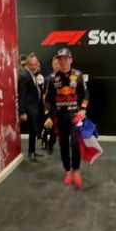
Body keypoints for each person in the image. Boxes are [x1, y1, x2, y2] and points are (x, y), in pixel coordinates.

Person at [45, 48, 89, 187]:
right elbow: (47, 100)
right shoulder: (52, 78)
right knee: (63, 144)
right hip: (60, 117)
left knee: (75, 143)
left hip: (75, 116)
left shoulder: (78, 75)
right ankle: (68, 170)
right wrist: (48, 116)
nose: (63, 61)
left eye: (65, 59)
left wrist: (83, 109)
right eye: (60, 59)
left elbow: (86, 95)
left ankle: (76, 170)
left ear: (71, 59)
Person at [19, 54, 44, 161]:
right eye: (31, 64)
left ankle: (32, 151)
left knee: (34, 131)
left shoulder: (32, 74)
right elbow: (22, 95)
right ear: (27, 64)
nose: (33, 67)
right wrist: (22, 112)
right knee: (33, 130)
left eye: (35, 64)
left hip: (34, 107)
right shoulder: (25, 75)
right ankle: (31, 152)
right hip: (29, 109)